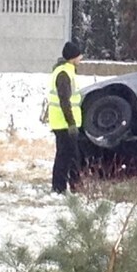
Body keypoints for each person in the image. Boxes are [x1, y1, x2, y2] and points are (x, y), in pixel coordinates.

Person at [48, 41, 83, 194]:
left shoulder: (66, 71)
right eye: (79, 55)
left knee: (66, 156)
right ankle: (64, 187)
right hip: (64, 123)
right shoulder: (64, 74)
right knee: (69, 157)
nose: (81, 58)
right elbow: (64, 101)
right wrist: (71, 123)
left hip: (63, 122)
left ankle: (62, 187)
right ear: (73, 57)